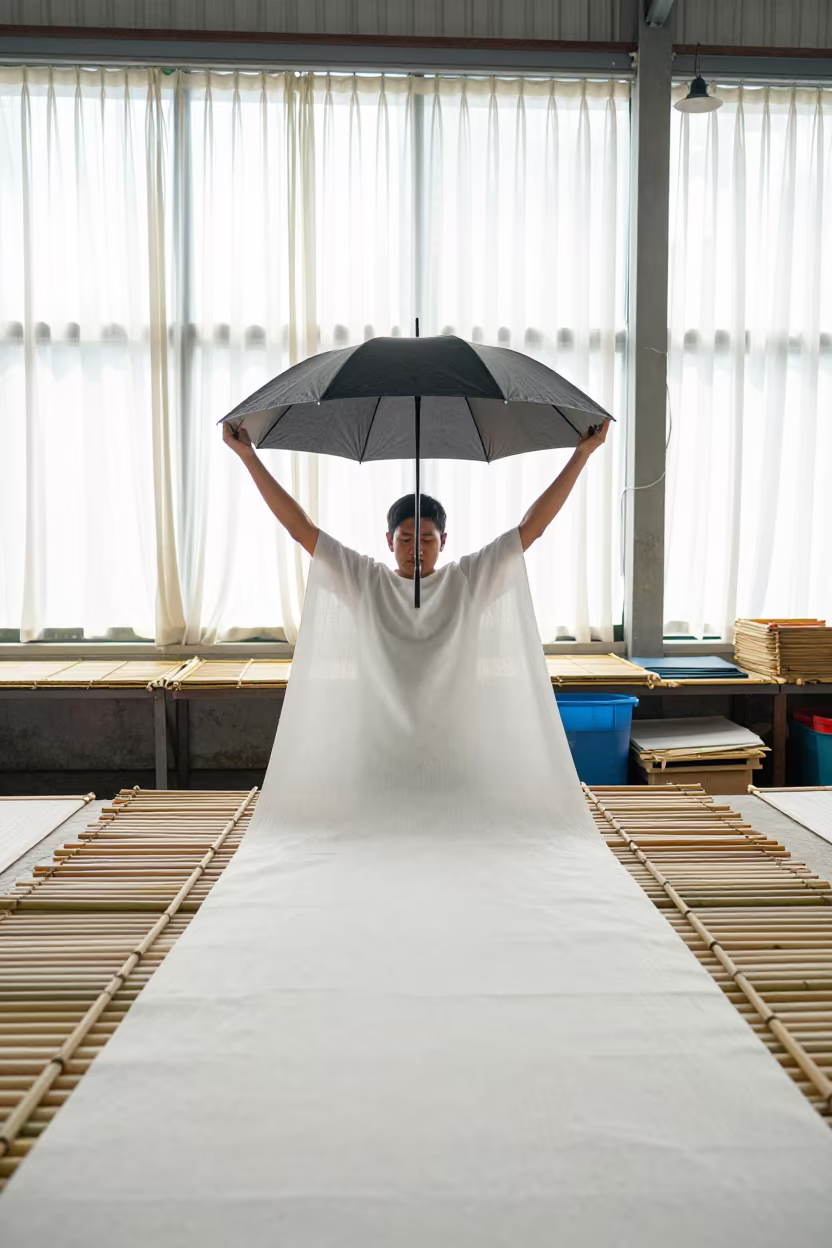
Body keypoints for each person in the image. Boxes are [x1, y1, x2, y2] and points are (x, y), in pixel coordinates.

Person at [222, 419, 610, 573]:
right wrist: (247, 456)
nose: (417, 548)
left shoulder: (463, 581)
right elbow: (301, 530)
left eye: (427, 539)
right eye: (406, 539)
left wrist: (581, 454)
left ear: (445, 542)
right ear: (389, 541)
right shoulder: (371, 581)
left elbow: (531, 530)